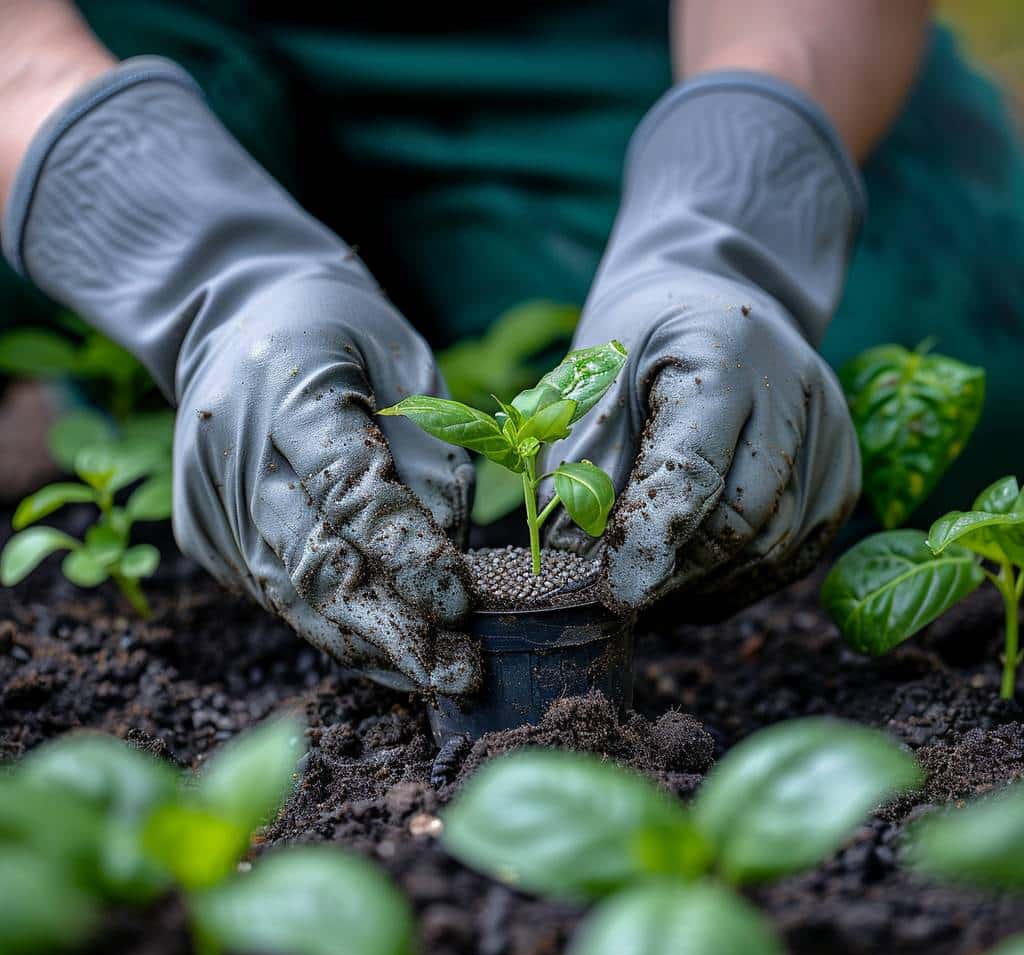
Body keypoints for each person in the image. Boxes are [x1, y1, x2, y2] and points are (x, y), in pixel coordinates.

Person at [0, 1, 1018, 697]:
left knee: (943, 355)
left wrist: (734, 217)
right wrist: (189, 264)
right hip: (114, 36)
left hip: (594, 36)